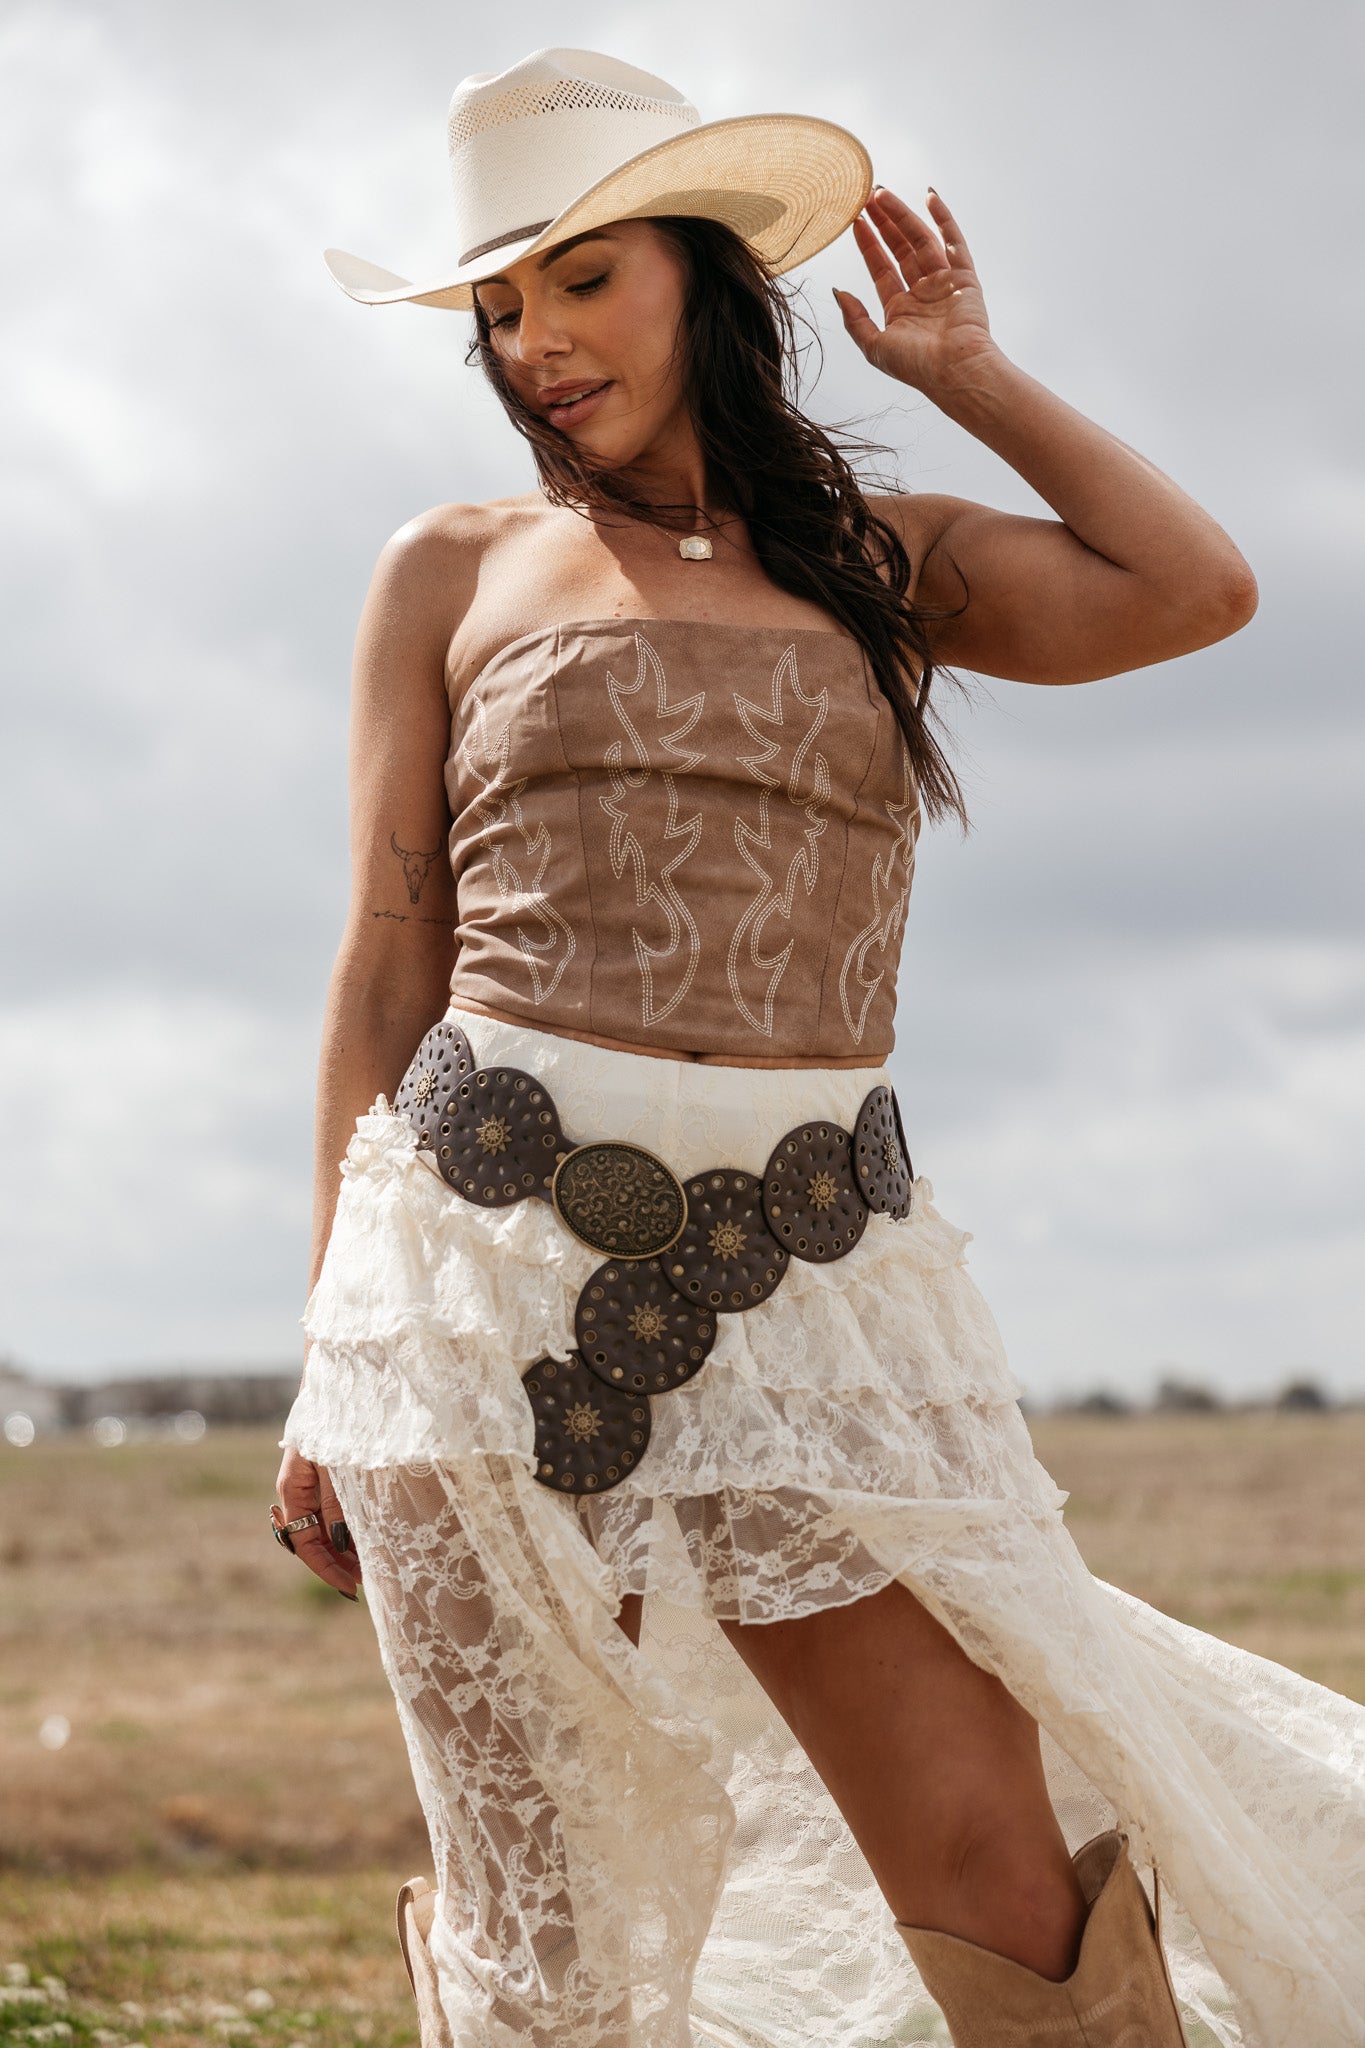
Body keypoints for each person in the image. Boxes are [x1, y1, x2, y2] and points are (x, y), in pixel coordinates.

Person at [273, 46, 1365, 2048]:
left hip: (818, 1278)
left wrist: (971, 377)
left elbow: (1194, 588)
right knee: (548, 1924)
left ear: (701, 274)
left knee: (994, 1869)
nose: (537, 344)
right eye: (499, 308)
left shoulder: (885, 558)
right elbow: (388, 952)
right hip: (465, 1278)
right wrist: (332, 1342)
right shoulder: (449, 568)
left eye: (582, 279)